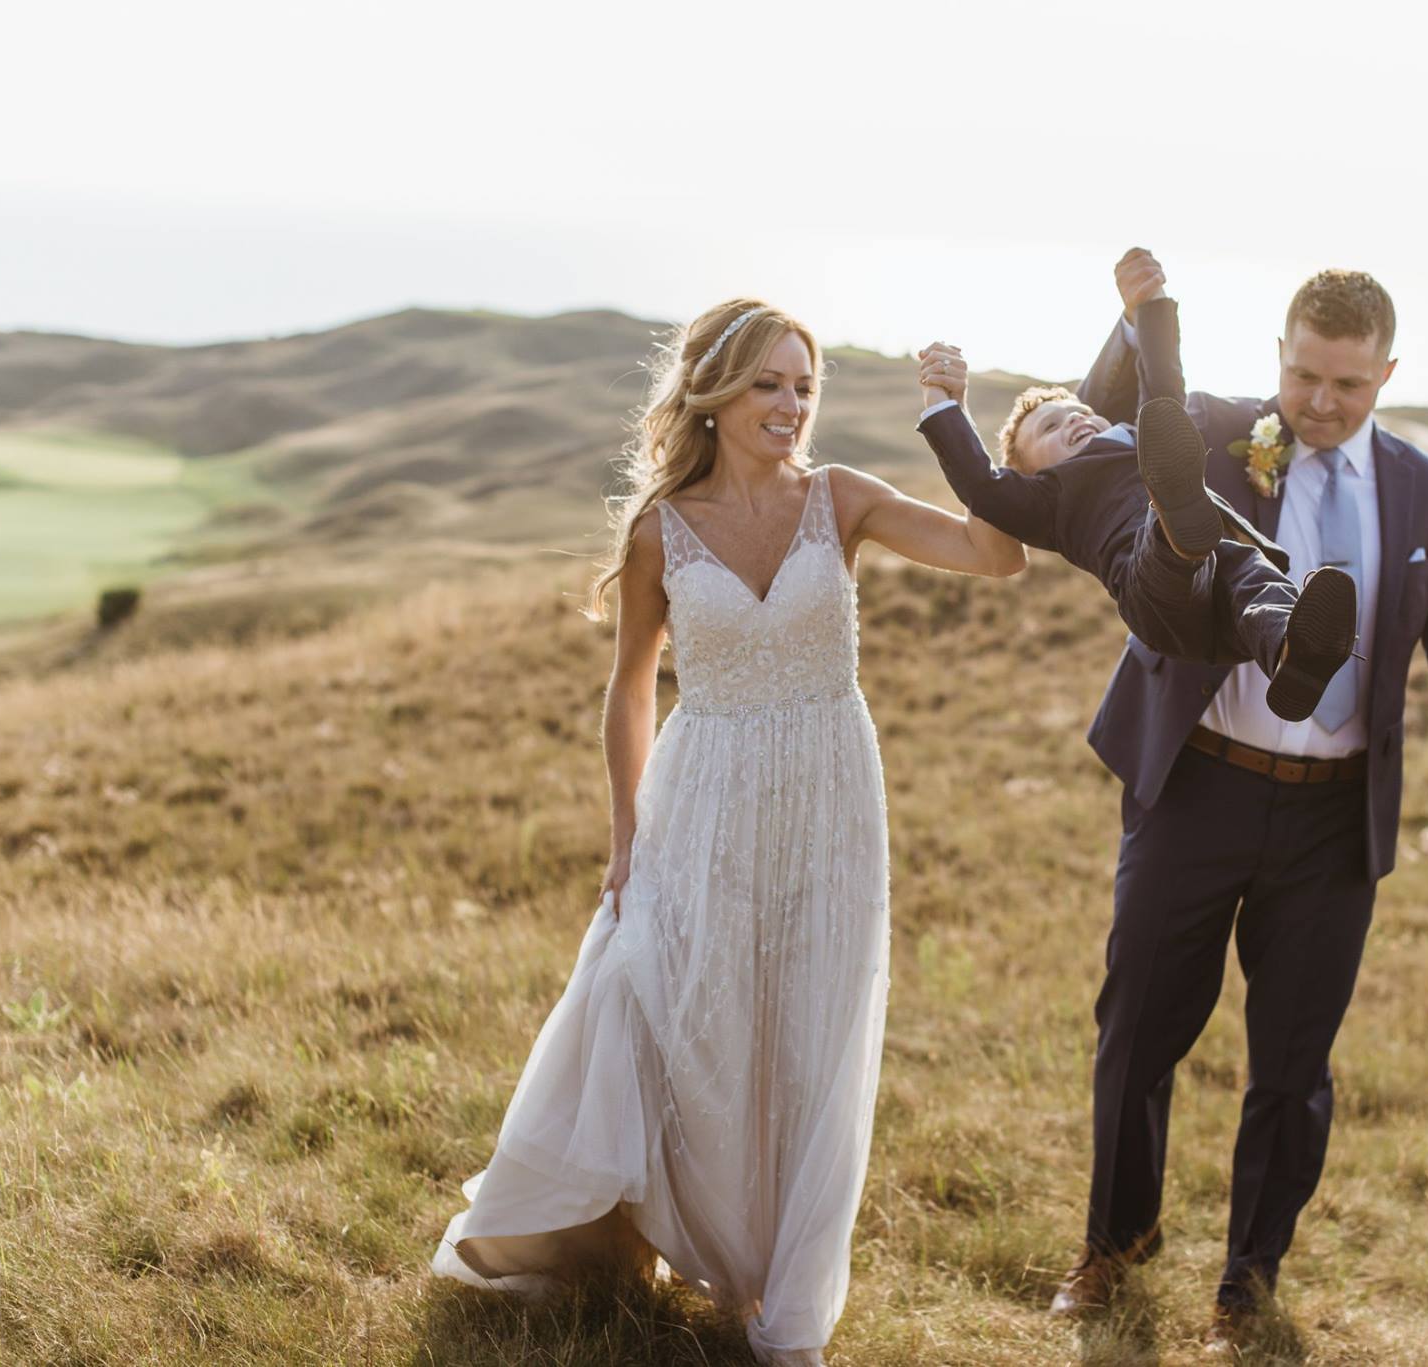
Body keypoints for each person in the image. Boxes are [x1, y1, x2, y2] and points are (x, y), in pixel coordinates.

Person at [430, 298, 1026, 1367]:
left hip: (827, 796)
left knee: (806, 1031)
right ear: (714, 391)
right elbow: (627, 693)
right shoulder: (659, 528)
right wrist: (625, 836)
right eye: (767, 382)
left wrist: (952, 418)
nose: (790, 404)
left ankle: (776, 1298)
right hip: (697, 796)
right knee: (673, 1005)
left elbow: (996, 554)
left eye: (803, 385)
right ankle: (647, 1234)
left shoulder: (841, 499)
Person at [1052, 252, 1428, 1356]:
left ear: (1385, 372)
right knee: (1137, 1023)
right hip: (1196, 782)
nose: (1320, 405)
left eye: (1346, 384)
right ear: (1277, 359)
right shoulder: (1216, 429)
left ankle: (1247, 1278)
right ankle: (1114, 1243)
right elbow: (1087, 421)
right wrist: (1134, 317)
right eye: (1302, 378)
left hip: (1332, 817)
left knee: (1291, 1061)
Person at [912, 345, 1357, 722]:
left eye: (1080, 411)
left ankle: (1293, 651)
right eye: (1051, 426)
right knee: (1161, 542)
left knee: (1252, 576)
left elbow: (1162, 386)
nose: (1073, 420)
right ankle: (1174, 521)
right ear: (1028, 473)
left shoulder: (1136, 438)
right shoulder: (1045, 500)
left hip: (1220, 597)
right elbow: (981, 487)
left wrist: (1152, 304)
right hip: (1153, 594)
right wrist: (943, 403)